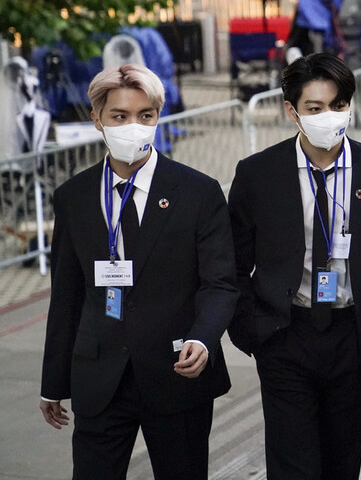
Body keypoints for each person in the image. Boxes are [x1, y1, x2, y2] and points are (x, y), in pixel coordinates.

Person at [40, 64, 238, 479]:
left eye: (145, 116)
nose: (134, 126)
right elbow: (67, 295)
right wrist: (53, 382)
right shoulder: (73, 198)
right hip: (100, 378)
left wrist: (203, 339)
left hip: (176, 374)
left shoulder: (198, 192)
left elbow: (220, 283)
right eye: (120, 116)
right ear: (97, 120)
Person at [227, 53, 361, 479]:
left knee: (342, 462)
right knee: (292, 464)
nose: (328, 117)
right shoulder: (258, 175)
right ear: (291, 111)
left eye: (338, 105)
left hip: (353, 335)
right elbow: (234, 262)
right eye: (314, 108)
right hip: (285, 334)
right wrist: (251, 329)